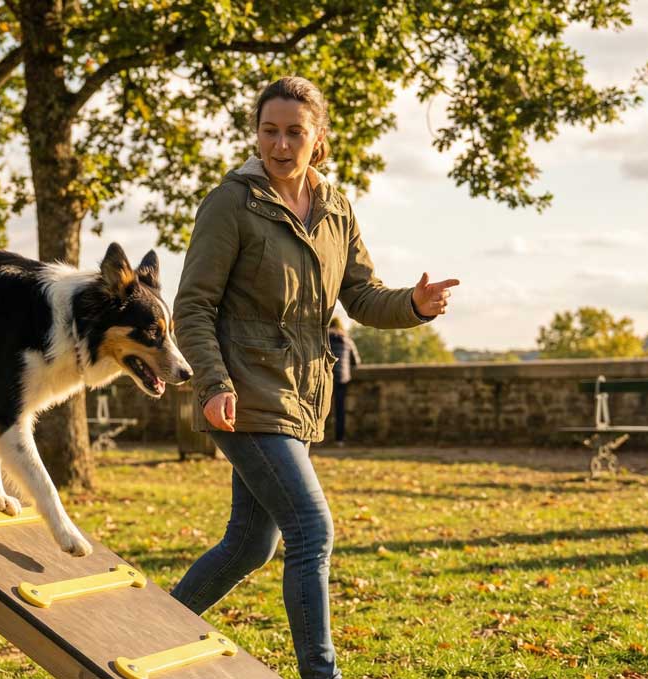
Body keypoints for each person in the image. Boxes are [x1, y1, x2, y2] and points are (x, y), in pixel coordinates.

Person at [171, 76, 459, 679]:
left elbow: (358, 294)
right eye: (269, 131)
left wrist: (414, 304)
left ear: (317, 138)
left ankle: (151, 626)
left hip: (301, 397)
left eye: (294, 132)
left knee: (252, 543)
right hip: (243, 394)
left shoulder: (334, 207)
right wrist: (214, 382)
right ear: (256, 135)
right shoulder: (232, 204)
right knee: (311, 529)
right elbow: (192, 306)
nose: (281, 144)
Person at [326, 316, 361, 445]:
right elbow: (356, 362)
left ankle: (318, 438)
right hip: (342, 377)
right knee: (340, 409)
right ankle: (339, 439)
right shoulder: (347, 340)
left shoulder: (324, 338)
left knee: (321, 409)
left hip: (326, 377)